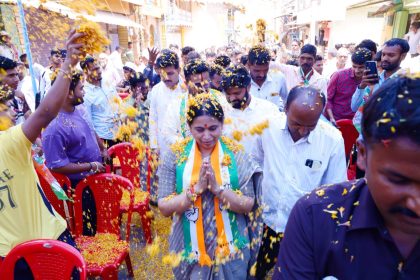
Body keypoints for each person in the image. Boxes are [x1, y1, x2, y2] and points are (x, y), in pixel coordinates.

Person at [274, 75, 420, 279]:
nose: (417, 204)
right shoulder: (316, 216)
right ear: (362, 154)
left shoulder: (330, 139)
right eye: (398, 180)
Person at [0, 30, 83, 278]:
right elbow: (46, 113)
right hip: (49, 249)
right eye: (6, 109)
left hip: (7, 260)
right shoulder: (10, 142)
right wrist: (69, 62)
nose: (13, 113)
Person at [157, 93, 261, 279]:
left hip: (232, 246)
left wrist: (218, 189)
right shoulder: (175, 156)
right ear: (189, 128)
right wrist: (195, 190)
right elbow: (164, 207)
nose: (206, 136)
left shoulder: (237, 154)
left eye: (213, 128)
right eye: (199, 129)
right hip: (188, 246)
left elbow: (248, 204)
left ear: (222, 125)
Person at [252, 86, 347, 279]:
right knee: (256, 271)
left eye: (310, 126)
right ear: (285, 108)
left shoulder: (332, 139)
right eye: (296, 124)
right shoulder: (266, 127)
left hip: (302, 228)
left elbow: (334, 189)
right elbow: (257, 161)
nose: (303, 131)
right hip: (266, 220)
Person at [41, 71, 107, 187]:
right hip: (78, 186)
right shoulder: (54, 128)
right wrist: (91, 166)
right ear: (69, 93)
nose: (84, 93)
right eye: (81, 89)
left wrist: (102, 148)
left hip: (96, 175)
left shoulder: (79, 107)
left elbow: (89, 128)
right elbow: (57, 166)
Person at [161, 58, 228, 148]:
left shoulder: (221, 99)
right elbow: (167, 134)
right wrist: (194, 145)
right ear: (186, 83)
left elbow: (230, 128)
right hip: (187, 156)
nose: (202, 89)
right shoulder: (176, 104)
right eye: (197, 85)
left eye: (206, 84)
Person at [351, 38, 410, 133]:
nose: (385, 58)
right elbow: (354, 107)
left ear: (403, 56)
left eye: (391, 55)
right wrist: (362, 86)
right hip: (365, 136)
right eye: (383, 54)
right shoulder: (374, 77)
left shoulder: (407, 81)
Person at [222, 65, 280, 153]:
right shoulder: (220, 112)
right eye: (228, 94)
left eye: (237, 93)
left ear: (248, 87)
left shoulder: (269, 110)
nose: (232, 98)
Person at [148, 50, 186, 156]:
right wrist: (154, 145)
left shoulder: (188, 89)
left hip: (185, 144)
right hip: (163, 145)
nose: (167, 78)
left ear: (178, 70)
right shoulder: (156, 90)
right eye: (163, 74)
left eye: (170, 73)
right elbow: (153, 118)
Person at [325, 47, 372, 125]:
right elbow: (328, 99)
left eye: (361, 67)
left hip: (358, 124)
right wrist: (331, 118)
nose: (357, 70)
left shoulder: (372, 79)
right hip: (336, 121)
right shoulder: (338, 75)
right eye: (354, 66)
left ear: (369, 65)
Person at [81, 56, 119, 148]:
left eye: (99, 68)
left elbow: (118, 103)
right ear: (86, 72)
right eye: (95, 69)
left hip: (119, 133)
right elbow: (89, 125)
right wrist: (101, 147)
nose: (99, 71)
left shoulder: (106, 81)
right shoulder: (85, 94)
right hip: (103, 139)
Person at [247, 46, 287, 110]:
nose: (262, 75)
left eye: (265, 70)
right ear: (248, 65)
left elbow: (287, 100)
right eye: (257, 71)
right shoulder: (242, 82)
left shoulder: (279, 77)